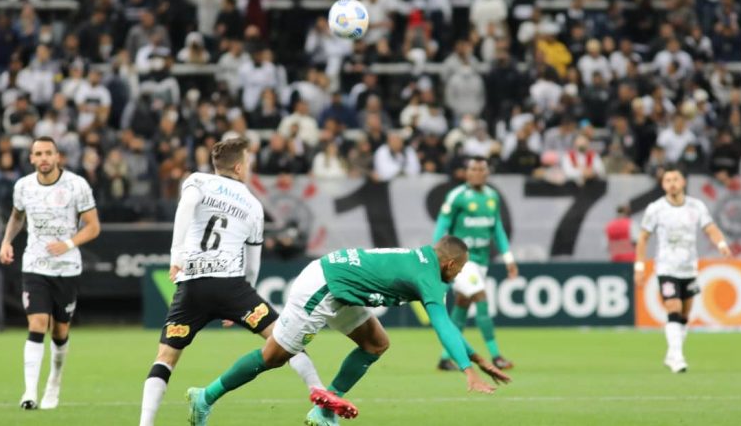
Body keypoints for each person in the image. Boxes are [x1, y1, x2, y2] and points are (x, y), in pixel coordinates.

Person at [185, 236, 511, 426]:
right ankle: (205, 397)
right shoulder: (429, 276)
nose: (459, 275)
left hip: (345, 289)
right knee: (273, 356)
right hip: (325, 286)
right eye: (461, 269)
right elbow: (442, 325)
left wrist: (479, 360)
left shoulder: (428, 266)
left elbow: (449, 327)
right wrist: (468, 371)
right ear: (450, 265)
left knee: (376, 343)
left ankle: (324, 411)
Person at [139, 138, 325, 426]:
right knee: (287, 340)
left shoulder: (197, 180)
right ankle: (320, 394)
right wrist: (242, 302)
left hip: (193, 285)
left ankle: (145, 424)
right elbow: (253, 263)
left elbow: (186, 207)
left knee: (165, 357)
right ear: (239, 167)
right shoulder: (253, 204)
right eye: (248, 163)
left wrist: (177, 255)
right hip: (231, 287)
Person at [0, 137, 101, 410]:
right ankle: (29, 392)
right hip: (34, 265)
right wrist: (6, 241)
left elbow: (93, 226)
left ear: (58, 157)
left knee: (60, 330)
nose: (43, 158)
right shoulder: (23, 186)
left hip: (67, 268)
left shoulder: (76, 185)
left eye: (48, 153)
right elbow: (17, 216)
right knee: (37, 324)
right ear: (31, 159)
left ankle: (54, 381)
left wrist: (67, 244)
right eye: (38, 154)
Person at [634, 165, 733, 373]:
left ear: (683, 182)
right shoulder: (656, 209)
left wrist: (722, 245)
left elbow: (710, 228)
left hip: (689, 268)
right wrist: (640, 266)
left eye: (675, 179)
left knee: (685, 315)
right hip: (666, 268)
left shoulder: (696, 206)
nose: (672, 184)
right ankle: (678, 358)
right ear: (663, 185)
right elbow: (643, 238)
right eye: (667, 180)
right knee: (673, 308)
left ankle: (672, 353)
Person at [433, 157, 517, 372]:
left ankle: (445, 358)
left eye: (482, 169)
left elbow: (497, 229)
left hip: (482, 261)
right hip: (461, 260)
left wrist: (508, 258)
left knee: (462, 305)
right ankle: (496, 355)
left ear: (487, 173)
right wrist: (435, 255)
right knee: (480, 297)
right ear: (466, 173)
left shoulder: (492, 197)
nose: (478, 172)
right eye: (474, 169)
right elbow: (442, 225)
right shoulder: (457, 196)